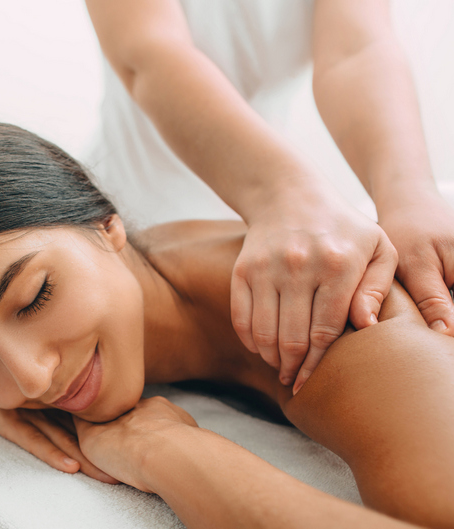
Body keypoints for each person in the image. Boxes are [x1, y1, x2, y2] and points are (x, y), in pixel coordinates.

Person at [0, 120, 454, 528]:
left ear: (106, 226)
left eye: (34, 298)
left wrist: (167, 451)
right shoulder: (137, 268)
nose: (34, 380)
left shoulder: (355, 325)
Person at [84, 0, 454, 394]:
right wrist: (281, 193)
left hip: (282, 212)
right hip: (137, 218)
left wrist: (408, 193)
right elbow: (148, 52)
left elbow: (356, 50)